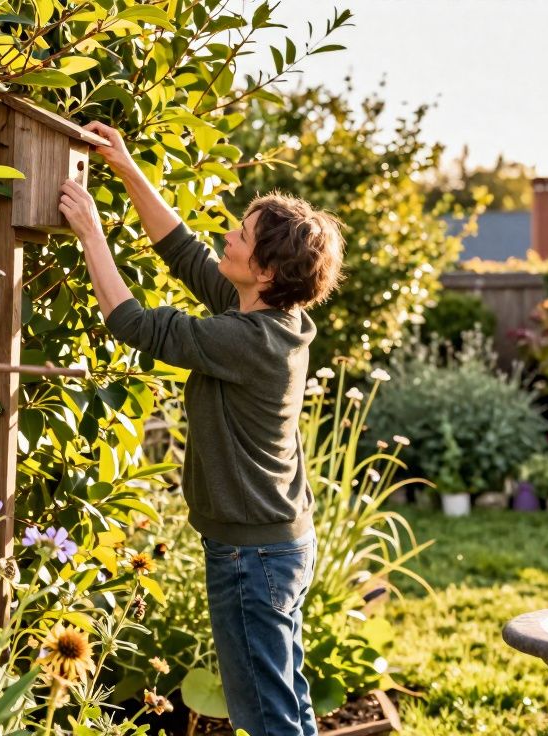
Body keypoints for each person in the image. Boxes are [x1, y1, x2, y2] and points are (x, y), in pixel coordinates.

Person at [58, 121, 345, 736]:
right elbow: (183, 250)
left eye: (239, 236)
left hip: (252, 551)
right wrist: (126, 166)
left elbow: (138, 325)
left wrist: (92, 232)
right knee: (284, 698)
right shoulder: (270, 318)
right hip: (277, 542)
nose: (227, 234)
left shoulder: (250, 340)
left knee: (265, 713)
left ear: (265, 272)